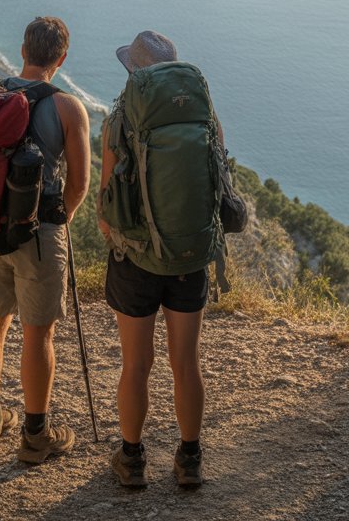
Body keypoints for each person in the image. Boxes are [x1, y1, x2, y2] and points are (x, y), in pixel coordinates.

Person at [97, 30, 218, 489]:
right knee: (186, 362)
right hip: (189, 256)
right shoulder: (205, 117)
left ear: (133, 72)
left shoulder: (117, 121)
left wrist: (123, 236)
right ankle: (190, 459)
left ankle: (131, 459)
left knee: (136, 364)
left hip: (136, 261)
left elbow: (106, 210)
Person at [0, 16, 91, 464]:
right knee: (38, 334)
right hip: (40, 234)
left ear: (22, 50)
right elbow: (79, 184)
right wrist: (62, 219)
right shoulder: (67, 108)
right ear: (62, 58)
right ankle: (36, 435)